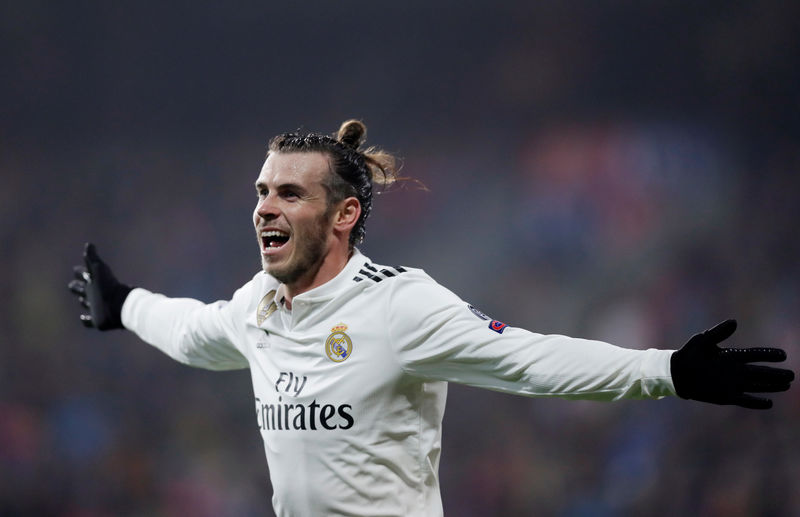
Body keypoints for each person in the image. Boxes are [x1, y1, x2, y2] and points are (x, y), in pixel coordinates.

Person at [69, 119, 794, 517]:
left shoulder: (399, 305)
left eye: (290, 192)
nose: (264, 206)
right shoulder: (258, 306)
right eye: (263, 190)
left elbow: (530, 360)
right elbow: (194, 333)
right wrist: (125, 304)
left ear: (344, 214)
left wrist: (664, 369)